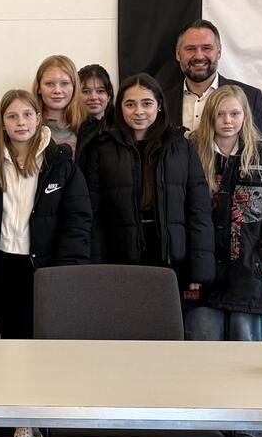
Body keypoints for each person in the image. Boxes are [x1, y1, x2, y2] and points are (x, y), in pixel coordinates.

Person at [0, 89, 92, 437]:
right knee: (13, 348)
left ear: (39, 119)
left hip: (44, 271)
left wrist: (67, 275)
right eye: (12, 116)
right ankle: (22, 420)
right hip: (4, 266)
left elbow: (77, 221)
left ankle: (44, 420)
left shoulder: (60, 162)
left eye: (27, 115)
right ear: (2, 123)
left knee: (45, 350)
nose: (20, 122)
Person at [82, 73, 214, 296]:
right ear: (120, 107)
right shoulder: (102, 147)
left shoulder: (180, 146)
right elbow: (93, 215)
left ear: (159, 105)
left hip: (170, 257)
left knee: (166, 317)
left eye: (147, 103)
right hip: (119, 257)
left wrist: (199, 270)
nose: (139, 111)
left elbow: (198, 211)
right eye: (130, 104)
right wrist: (96, 267)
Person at [185, 86, 262, 342]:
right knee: (201, 355)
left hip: (247, 279)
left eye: (234, 114)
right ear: (210, 115)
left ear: (245, 115)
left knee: (246, 358)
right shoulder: (191, 152)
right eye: (220, 114)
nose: (227, 121)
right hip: (202, 278)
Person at [158, 19, 262, 139]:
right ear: (178, 54)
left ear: (219, 52)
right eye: (190, 49)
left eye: (206, 48)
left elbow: (260, 149)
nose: (199, 56)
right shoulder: (161, 99)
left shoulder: (250, 97)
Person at [32, 54, 86, 153]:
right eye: (49, 84)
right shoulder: (28, 127)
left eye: (64, 83)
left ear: (74, 87)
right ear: (39, 88)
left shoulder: (86, 126)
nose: (57, 90)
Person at [76, 63, 114, 151]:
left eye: (100, 91)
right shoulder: (68, 132)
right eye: (86, 91)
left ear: (109, 95)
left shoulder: (120, 131)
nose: (93, 97)